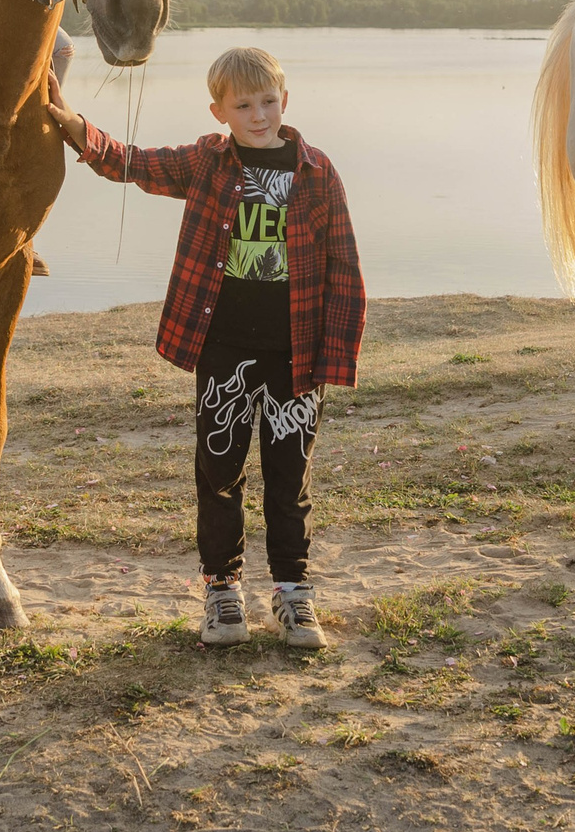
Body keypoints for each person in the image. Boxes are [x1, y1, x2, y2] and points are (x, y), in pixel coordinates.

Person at [43, 47, 365, 650]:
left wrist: (334, 356)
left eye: (268, 101)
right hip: (224, 352)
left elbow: (343, 265)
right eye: (243, 105)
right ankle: (223, 593)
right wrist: (74, 126)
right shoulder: (207, 163)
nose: (259, 114)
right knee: (218, 473)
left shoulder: (317, 174)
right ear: (219, 110)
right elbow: (133, 163)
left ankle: (294, 594)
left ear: (285, 100)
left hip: (293, 357)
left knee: (288, 477)